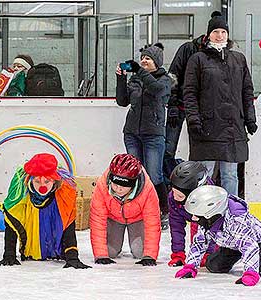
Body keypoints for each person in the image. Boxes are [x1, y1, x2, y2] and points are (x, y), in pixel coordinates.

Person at [183, 11, 258, 196]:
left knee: (230, 175)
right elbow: (190, 93)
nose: (220, 35)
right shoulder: (198, 59)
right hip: (207, 126)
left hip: (232, 127)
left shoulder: (238, 59)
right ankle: (203, 213)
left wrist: (250, 118)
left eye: (223, 32)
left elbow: (247, 90)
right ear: (209, 35)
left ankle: (230, 214)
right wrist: (194, 119)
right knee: (205, 173)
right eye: (215, 31)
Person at [0, 153, 90, 269]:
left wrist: (72, 257)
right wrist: (9, 255)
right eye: (37, 182)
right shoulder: (20, 197)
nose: (42, 186)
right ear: (30, 181)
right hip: (31, 254)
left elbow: (68, 227)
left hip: (58, 255)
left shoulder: (63, 197)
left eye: (47, 182)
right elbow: (12, 224)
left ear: (55, 181)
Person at [116, 43, 172, 230]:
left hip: (153, 134)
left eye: (148, 58)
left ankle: (163, 211)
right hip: (132, 133)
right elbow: (122, 101)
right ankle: (137, 210)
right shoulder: (136, 79)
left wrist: (139, 71)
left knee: (154, 174)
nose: (143, 61)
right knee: (135, 174)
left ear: (156, 62)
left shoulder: (165, 79)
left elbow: (156, 90)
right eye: (142, 58)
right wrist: (121, 79)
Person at [175, 185, 261, 286]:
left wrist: (251, 273)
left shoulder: (237, 221)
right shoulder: (206, 222)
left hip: (257, 243)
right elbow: (199, 243)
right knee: (213, 265)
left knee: (260, 270)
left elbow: (250, 247)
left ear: (210, 214)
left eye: (197, 215)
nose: (193, 218)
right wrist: (190, 266)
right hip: (233, 245)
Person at [90, 153, 161, 266]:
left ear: (134, 183)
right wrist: (100, 254)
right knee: (110, 252)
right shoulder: (102, 186)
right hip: (113, 219)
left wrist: (150, 255)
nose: (118, 189)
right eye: (115, 184)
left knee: (140, 252)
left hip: (137, 220)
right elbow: (97, 220)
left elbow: (152, 223)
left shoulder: (147, 190)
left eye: (124, 185)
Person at [163, 30, 207, 180]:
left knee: (198, 150)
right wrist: (173, 103)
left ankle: (192, 182)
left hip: (200, 111)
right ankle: (170, 183)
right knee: (168, 148)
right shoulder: (188, 48)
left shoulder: (218, 54)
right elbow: (173, 75)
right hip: (181, 106)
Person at [168, 161, 216, 267]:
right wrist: (178, 254)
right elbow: (176, 227)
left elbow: (214, 230)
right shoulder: (173, 198)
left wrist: (207, 253)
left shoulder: (210, 200)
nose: (175, 197)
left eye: (180, 196)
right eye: (173, 192)